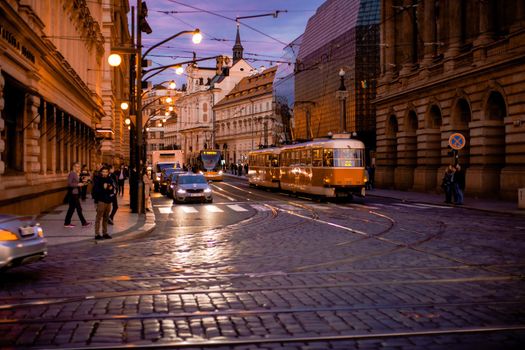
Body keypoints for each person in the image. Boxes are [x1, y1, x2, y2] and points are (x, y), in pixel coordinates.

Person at [64, 163, 91, 228]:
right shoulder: (72, 173)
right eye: (77, 166)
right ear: (73, 167)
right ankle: (83, 222)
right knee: (79, 209)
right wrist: (78, 185)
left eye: (79, 167)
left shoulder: (76, 174)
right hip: (73, 194)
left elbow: (76, 182)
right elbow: (69, 184)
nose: (78, 168)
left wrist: (83, 183)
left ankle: (67, 223)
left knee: (71, 209)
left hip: (75, 193)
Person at [92, 166, 114, 240]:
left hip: (108, 201)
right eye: (103, 172)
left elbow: (112, 190)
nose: (105, 173)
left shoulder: (110, 179)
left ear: (108, 173)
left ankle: (105, 233)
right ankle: (97, 234)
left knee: (106, 218)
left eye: (106, 172)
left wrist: (110, 188)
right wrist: (104, 188)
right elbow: (96, 191)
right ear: (101, 172)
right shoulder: (98, 179)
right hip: (101, 201)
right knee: (98, 218)